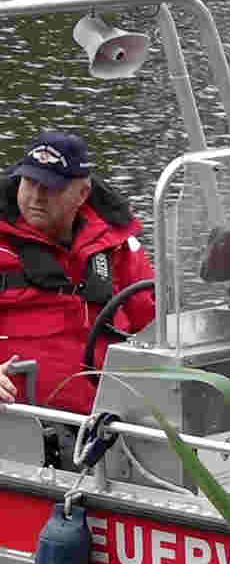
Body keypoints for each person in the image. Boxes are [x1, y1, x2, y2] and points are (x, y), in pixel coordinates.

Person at [0, 132, 156, 439]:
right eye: (29, 182)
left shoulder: (120, 248)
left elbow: (154, 327)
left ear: (82, 194)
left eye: (51, 187)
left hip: (109, 430)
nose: (36, 196)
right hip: (20, 433)